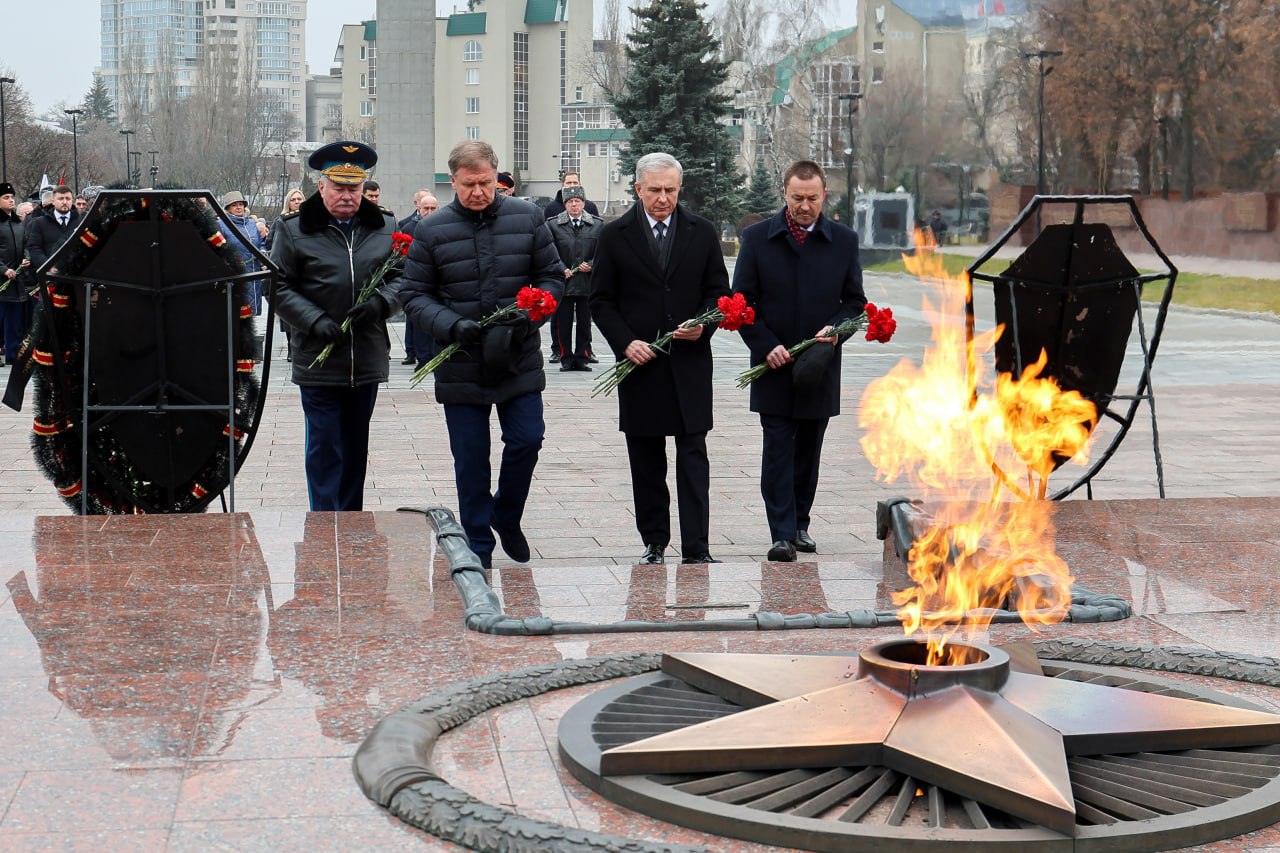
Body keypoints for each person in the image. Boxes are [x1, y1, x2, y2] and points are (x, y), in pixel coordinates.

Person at [399, 140, 563, 570]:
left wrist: (529, 316)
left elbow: (550, 276)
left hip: (517, 355)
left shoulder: (527, 218)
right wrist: (451, 325)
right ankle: (478, 546)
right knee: (471, 458)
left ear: (497, 175)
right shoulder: (432, 230)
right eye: (469, 184)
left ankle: (506, 515)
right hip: (461, 359)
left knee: (528, 439)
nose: (478, 192)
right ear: (452, 181)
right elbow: (414, 296)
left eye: (486, 183)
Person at [589, 151, 730, 566]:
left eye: (671, 190)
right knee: (646, 458)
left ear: (679, 189)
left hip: (688, 365)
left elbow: (718, 295)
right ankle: (654, 541)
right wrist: (625, 342)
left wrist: (705, 325)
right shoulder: (615, 235)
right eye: (655, 190)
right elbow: (601, 300)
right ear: (638, 189)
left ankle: (697, 547)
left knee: (693, 456)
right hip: (640, 365)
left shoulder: (701, 232)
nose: (663, 198)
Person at [732, 159, 866, 562]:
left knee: (809, 449)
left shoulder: (843, 240)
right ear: (784, 196)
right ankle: (781, 533)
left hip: (818, 367)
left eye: (811, 198)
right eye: (796, 198)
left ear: (824, 195)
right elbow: (741, 304)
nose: (804, 206)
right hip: (773, 365)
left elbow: (854, 303)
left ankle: (801, 524)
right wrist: (764, 344)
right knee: (777, 448)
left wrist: (835, 331)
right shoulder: (757, 238)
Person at [269, 140, 402, 511]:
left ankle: (351, 520)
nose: (347, 196)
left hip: (367, 353)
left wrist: (380, 303)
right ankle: (325, 522)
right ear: (322, 186)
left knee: (356, 444)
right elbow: (276, 286)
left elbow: (404, 278)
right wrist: (314, 321)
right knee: (325, 444)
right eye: (339, 188)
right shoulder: (294, 229)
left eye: (354, 188)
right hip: (318, 356)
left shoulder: (385, 225)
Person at [546, 185, 597, 372]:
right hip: (564, 282)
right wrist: (561, 267)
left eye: (577, 201)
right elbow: (549, 250)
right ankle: (565, 357)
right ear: (565, 205)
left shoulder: (596, 225)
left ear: (584, 203)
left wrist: (591, 263)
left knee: (585, 322)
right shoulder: (553, 225)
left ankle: (582, 357)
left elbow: (603, 252)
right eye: (570, 202)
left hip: (586, 283)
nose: (574, 205)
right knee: (563, 323)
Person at [397, 190, 439, 366]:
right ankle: (422, 357)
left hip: (438, 281)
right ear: (418, 208)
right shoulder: (408, 228)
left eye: (433, 208)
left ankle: (433, 355)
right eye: (425, 208)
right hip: (417, 281)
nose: (429, 212)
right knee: (419, 320)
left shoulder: (444, 226)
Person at [217, 191, 268, 316]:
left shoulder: (252, 224)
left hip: (254, 275)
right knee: (236, 316)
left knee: (252, 316)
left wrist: (264, 256)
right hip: (235, 276)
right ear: (228, 208)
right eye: (234, 205)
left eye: (241, 204)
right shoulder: (221, 225)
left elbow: (260, 244)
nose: (239, 207)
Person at [0, 182, 30, 368]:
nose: (11, 200)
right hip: (2, 278)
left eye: (12, 197)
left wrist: (27, 259)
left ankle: (13, 354)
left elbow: (27, 243)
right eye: (5, 197)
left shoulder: (18, 223)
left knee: (14, 320)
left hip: (17, 280)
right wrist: (4, 269)